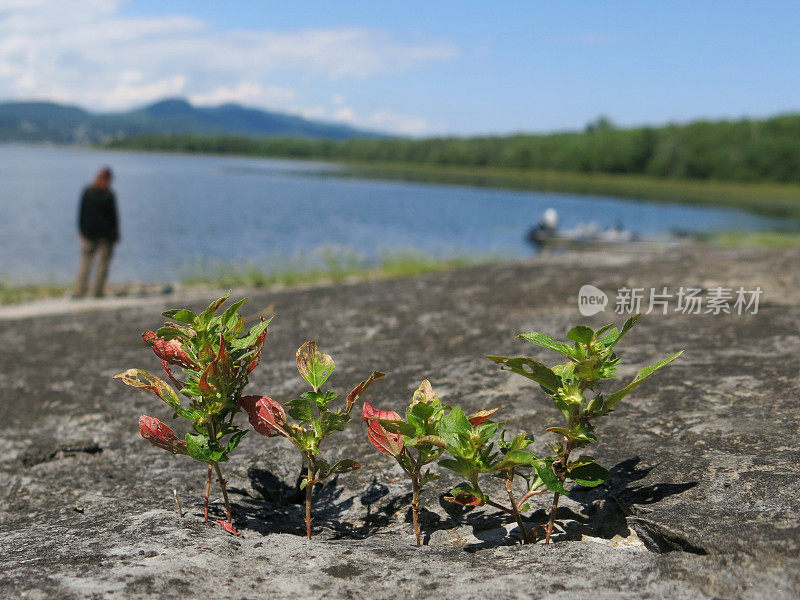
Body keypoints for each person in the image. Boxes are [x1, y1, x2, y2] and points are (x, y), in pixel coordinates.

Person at [74, 167, 119, 298]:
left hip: (89, 233)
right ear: (108, 179)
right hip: (106, 235)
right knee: (103, 264)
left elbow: (81, 213)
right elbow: (114, 217)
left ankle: (80, 291)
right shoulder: (109, 194)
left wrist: (81, 230)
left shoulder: (88, 192)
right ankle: (97, 292)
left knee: (86, 263)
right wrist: (116, 234)